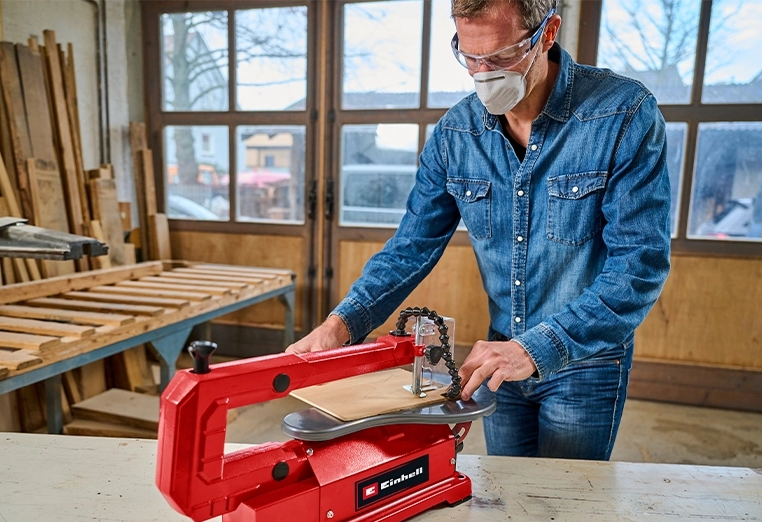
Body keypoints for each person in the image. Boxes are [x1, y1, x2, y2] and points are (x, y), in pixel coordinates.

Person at [287, 0, 671, 460]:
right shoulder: (456, 135)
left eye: (501, 56)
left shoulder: (622, 114)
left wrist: (536, 348)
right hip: (498, 354)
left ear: (548, 33)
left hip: (585, 361)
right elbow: (410, 248)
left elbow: (639, 267)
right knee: (508, 489)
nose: (483, 73)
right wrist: (341, 324)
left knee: (566, 498)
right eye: (470, 57)